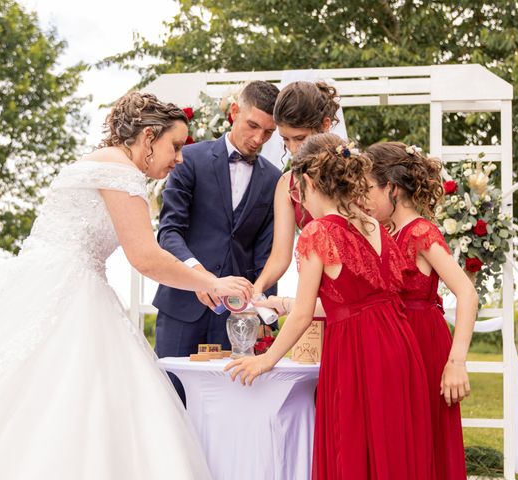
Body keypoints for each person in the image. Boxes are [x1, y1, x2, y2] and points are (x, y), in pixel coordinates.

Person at [0, 91, 253, 479]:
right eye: (175, 146)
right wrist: (212, 280)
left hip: (28, 283)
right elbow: (145, 256)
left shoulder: (90, 163)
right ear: (148, 137)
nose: (180, 158)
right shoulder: (121, 173)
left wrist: (195, 281)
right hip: (71, 293)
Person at [226, 133, 435, 480]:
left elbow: (305, 315)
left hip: (358, 353)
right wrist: (280, 303)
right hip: (399, 346)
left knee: (353, 448)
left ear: (306, 181)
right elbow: (353, 301)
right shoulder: (374, 226)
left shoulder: (318, 233)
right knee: (393, 450)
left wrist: (266, 359)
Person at [153, 81, 281, 403]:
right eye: (253, 126)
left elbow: (266, 254)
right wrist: (200, 278)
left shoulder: (273, 179)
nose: (258, 139)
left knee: (228, 407)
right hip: (183, 308)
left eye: (268, 133)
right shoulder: (189, 160)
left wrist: (264, 315)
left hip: (237, 320)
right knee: (171, 402)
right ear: (234, 112)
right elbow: (169, 232)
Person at [365, 141, 478, 480]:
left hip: (423, 344)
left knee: (424, 440)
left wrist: (456, 362)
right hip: (394, 345)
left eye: (369, 188)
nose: (363, 198)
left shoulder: (421, 232)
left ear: (392, 188)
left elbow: (466, 292)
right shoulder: (386, 232)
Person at [252, 81, 341, 298]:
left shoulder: (354, 173)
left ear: (325, 124)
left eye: (300, 138)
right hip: (316, 294)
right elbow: (280, 257)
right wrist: (256, 290)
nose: (293, 149)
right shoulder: (287, 184)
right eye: (285, 140)